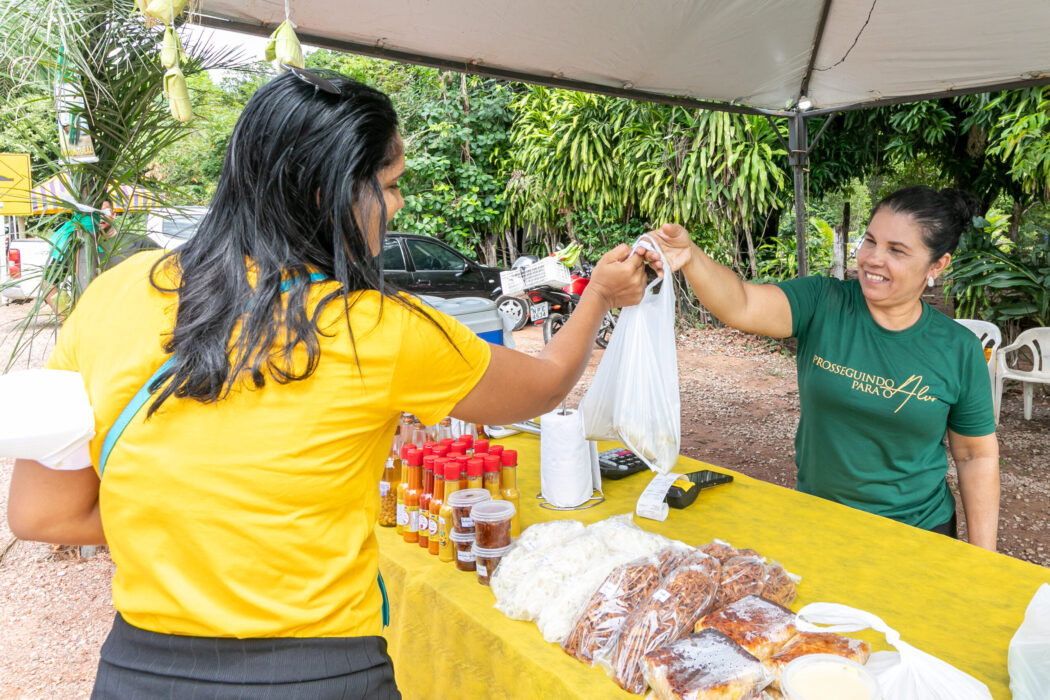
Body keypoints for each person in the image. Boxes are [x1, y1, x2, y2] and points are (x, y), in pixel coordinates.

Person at [7, 68, 656, 698]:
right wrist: (599, 293)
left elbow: (41, 513)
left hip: (140, 672)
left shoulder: (114, 293)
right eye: (390, 183)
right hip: (318, 673)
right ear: (328, 192)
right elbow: (542, 386)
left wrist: (196, 523)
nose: (398, 205)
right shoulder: (375, 328)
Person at [653, 186, 999, 550]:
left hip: (917, 533)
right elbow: (741, 303)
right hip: (819, 520)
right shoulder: (823, 302)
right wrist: (690, 256)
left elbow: (976, 455)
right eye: (870, 241)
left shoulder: (958, 349)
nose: (872, 258)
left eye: (896, 250)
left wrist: (984, 557)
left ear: (937, 265)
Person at [42, 201, 113, 317]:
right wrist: (66, 318)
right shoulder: (76, 248)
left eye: (103, 212)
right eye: (94, 213)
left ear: (113, 214)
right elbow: (48, 283)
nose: (99, 218)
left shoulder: (132, 242)